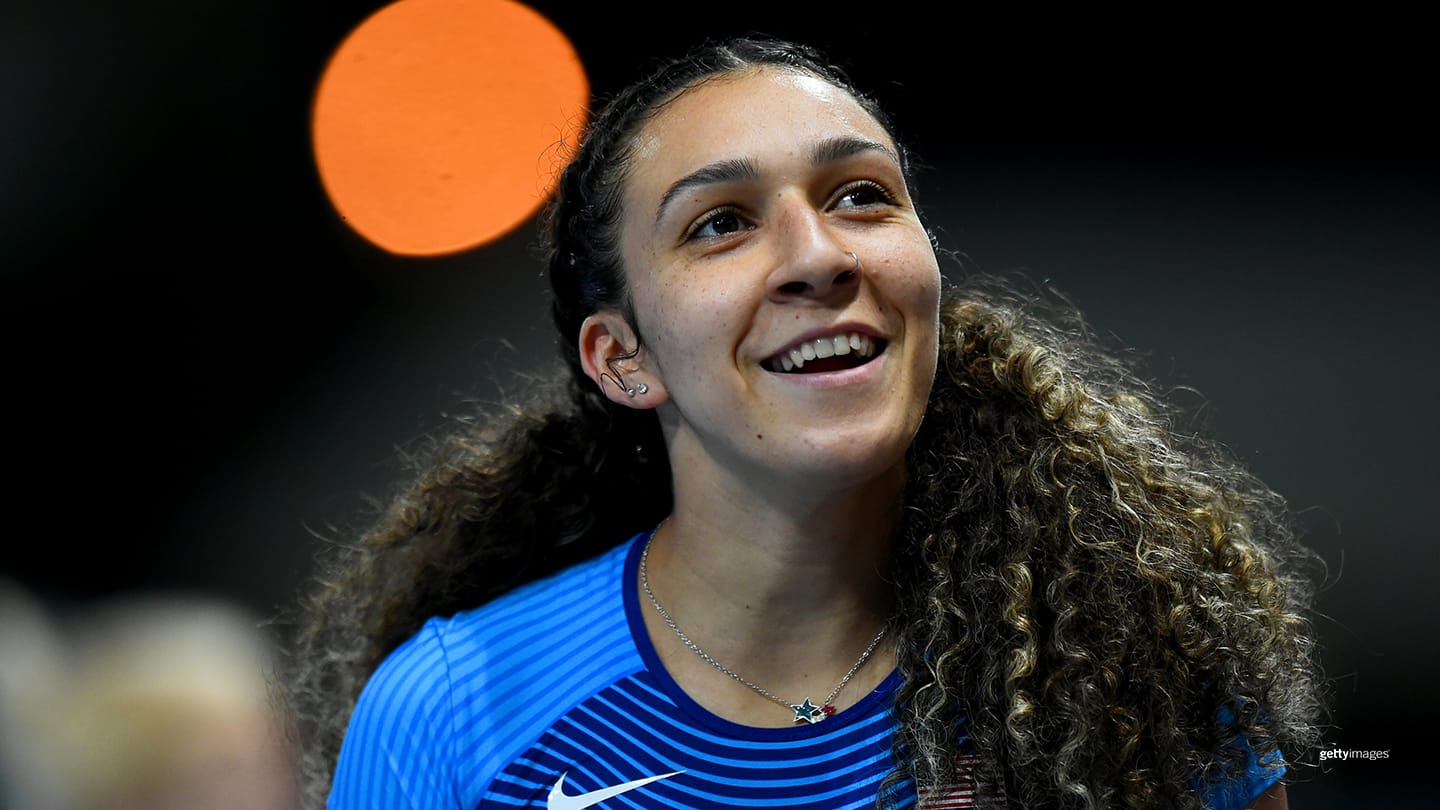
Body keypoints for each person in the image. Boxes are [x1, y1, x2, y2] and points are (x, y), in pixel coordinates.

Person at [278, 35, 1326, 810]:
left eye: (862, 195)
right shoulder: (453, 714)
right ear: (624, 359)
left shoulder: (1130, 670)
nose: (821, 256)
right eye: (721, 223)